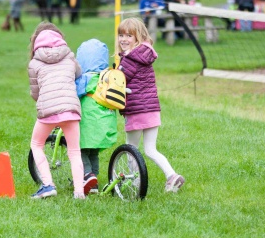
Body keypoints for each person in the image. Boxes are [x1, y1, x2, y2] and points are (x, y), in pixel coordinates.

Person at [116, 17, 185, 193]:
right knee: (150, 149)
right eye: (121, 35)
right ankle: (172, 176)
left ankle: (136, 182)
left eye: (129, 36)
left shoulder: (130, 60)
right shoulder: (145, 55)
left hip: (136, 111)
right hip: (152, 110)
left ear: (138, 37)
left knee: (131, 148)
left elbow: (118, 82)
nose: (123, 39)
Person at [28, 21, 90, 200]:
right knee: (75, 151)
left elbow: (35, 92)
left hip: (47, 112)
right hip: (71, 109)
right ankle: (79, 192)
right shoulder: (69, 56)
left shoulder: (34, 63)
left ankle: (48, 185)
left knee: (37, 144)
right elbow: (79, 74)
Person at [75, 39, 118, 193]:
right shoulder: (107, 77)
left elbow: (74, 95)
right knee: (93, 152)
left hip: (88, 122)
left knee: (80, 150)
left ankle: (87, 175)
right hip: (105, 122)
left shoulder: (83, 79)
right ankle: (93, 182)